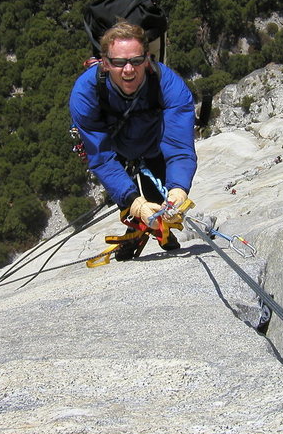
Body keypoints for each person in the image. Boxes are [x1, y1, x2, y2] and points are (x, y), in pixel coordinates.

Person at [69, 21, 197, 258]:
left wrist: (179, 188)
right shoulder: (85, 93)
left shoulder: (168, 85)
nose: (128, 69)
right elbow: (102, 157)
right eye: (119, 62)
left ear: (147, 59)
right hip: (116, 154)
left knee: (161, 206)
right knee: (134, 207)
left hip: (154, 148)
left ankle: (156, 233)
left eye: (136, 61)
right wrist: (132, 201)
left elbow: (179, 147)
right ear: (105, 63)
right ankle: (138, 229)